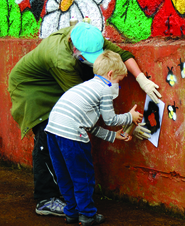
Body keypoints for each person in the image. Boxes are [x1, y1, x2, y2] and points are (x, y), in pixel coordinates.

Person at [7, 22, 161, 217]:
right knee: (47, 135)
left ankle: (71, 208)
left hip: (58, 85)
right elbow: (89, 111)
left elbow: (121, 55)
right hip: (32, 89)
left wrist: (141, 79)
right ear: (74, 48)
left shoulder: (89, 38)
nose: (92, 60)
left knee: (62, 146)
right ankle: (46, 199)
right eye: (89, 58)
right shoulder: (61, 60)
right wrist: (127, 121)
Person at [45, 50, 144, 225]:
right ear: (111, 74)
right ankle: (87, 215)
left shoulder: (87, 86)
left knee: (65, 175)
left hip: (53, 130)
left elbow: (88, 124)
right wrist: (130, 117)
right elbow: (110, 119)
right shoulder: (105, 88)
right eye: (120, 81)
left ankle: (72, 212)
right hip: (72, 134)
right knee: (83, 176)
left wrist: (113, 136)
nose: (119, 86)